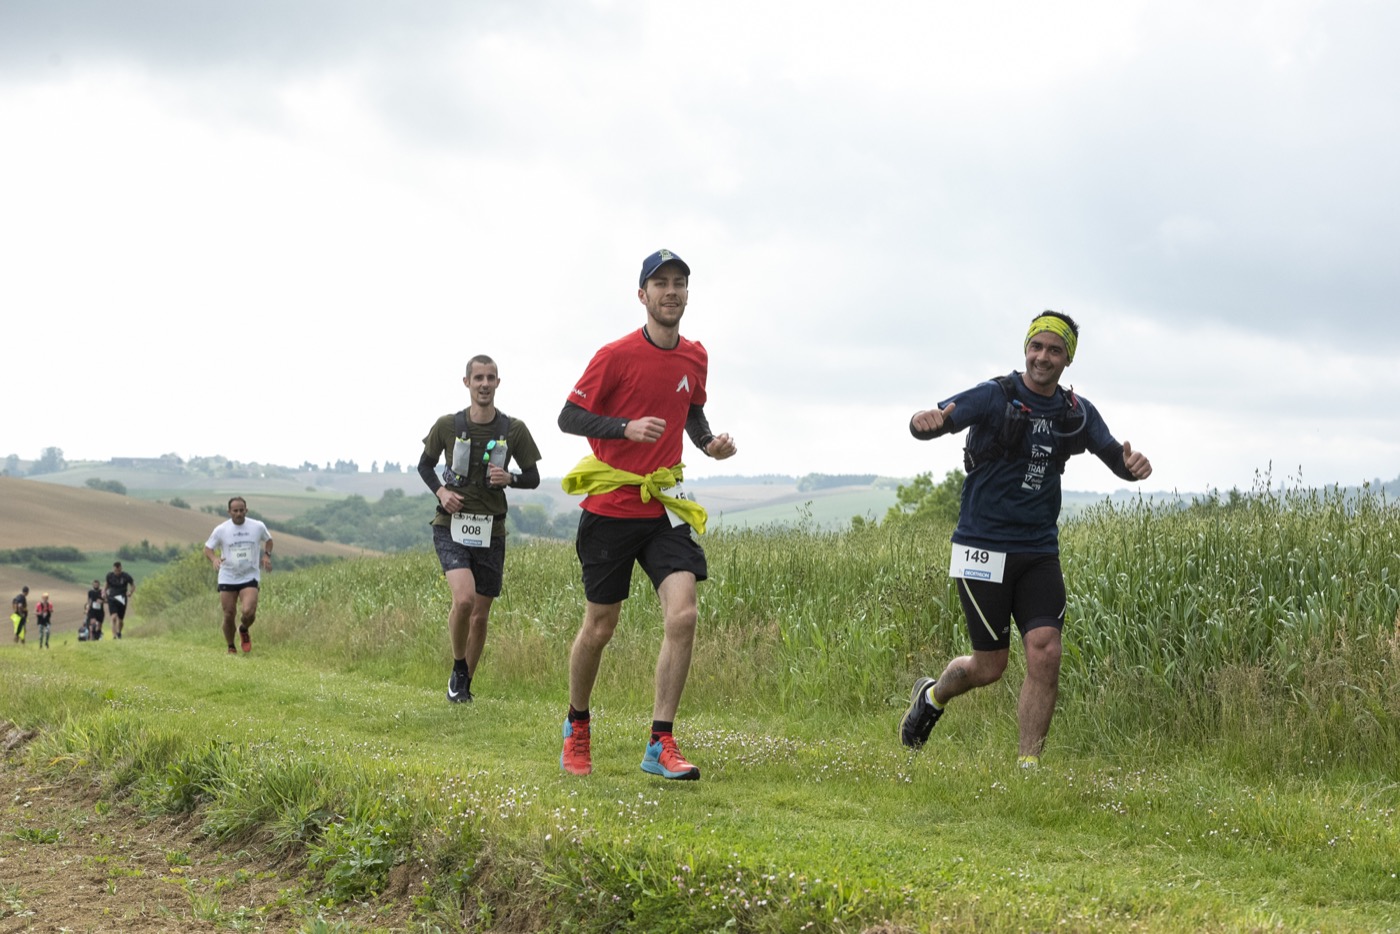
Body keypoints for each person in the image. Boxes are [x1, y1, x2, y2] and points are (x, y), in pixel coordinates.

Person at [898, 311, 1152, 767]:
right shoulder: (994, 395)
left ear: (1068, 359)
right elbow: (933, 422)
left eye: (1055, 350)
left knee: (1046, 651)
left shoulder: (1076, 412)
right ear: (1026, 349)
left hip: (1038, 550)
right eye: (1037, 347)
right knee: (989, 666)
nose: (1043, 357)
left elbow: (1115, 456)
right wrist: (923, 421)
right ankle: (932, 696)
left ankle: (1028, 766)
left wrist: (1132, 468)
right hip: (981, 546)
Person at [556, 248, 737, 780]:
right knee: (600, 626)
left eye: (679, 283)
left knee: (683, 615)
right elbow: (569, 416)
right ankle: (577, 725)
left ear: (687, 294)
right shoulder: (614, 355)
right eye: (660, 284)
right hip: (612, 506)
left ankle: (660, 742)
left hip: (663, 505)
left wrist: (708, 443)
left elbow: (692, 409)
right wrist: (624, 428)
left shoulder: (695, 356)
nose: (671, 291)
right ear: (643, 295)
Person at [418, 354, 543, 703]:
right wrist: (442, 492)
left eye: (490, 378)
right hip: (451, 525)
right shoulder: (447, 425)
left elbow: (533, 477)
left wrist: (510, 478)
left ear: (498, 383)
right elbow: (425, 466)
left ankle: (462, 687)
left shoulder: (514, 429)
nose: (484, 384)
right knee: (464, 600)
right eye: (478, 378)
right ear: (467, 383)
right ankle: (459, 665)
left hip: (492, 530)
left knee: (480, 616)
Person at [203, 496, 273, 654]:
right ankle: (231, 646)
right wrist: (214, 559)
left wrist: (267, 555)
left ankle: (244, 629)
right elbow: (207, 548)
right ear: (229, 512)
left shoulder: (257, 526)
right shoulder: (221, 529)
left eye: (241, 510)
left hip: (249, 575)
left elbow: (269, 540)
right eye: (235, 511)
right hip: (228, 575)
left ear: (246, 510)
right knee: (229, 614)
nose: (239, 513)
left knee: (249, 612)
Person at [105, 561, 136, 639]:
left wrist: (130, 592)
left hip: (122, 599)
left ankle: (119, 632)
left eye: (119, 570)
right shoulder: (109, 576)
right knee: (113, 617)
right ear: (113, 569)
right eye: (115, 570)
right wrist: (104, 592)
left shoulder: (126, 576)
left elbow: (133, 585)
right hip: (112, 598)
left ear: (121, 568)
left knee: (120, 620)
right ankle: (114, 636)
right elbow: (106, 585)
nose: (117, 572)